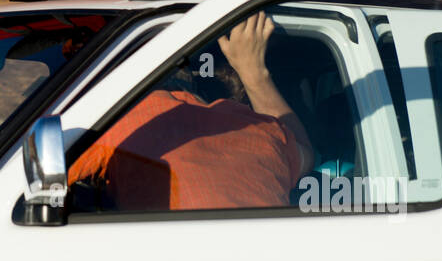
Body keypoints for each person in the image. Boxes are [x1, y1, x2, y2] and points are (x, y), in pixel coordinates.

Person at [66, 14, 315, 211]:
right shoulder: (263, 133)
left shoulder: (120, 121)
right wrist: (253, 71)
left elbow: (34, 174)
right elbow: (305, 149)